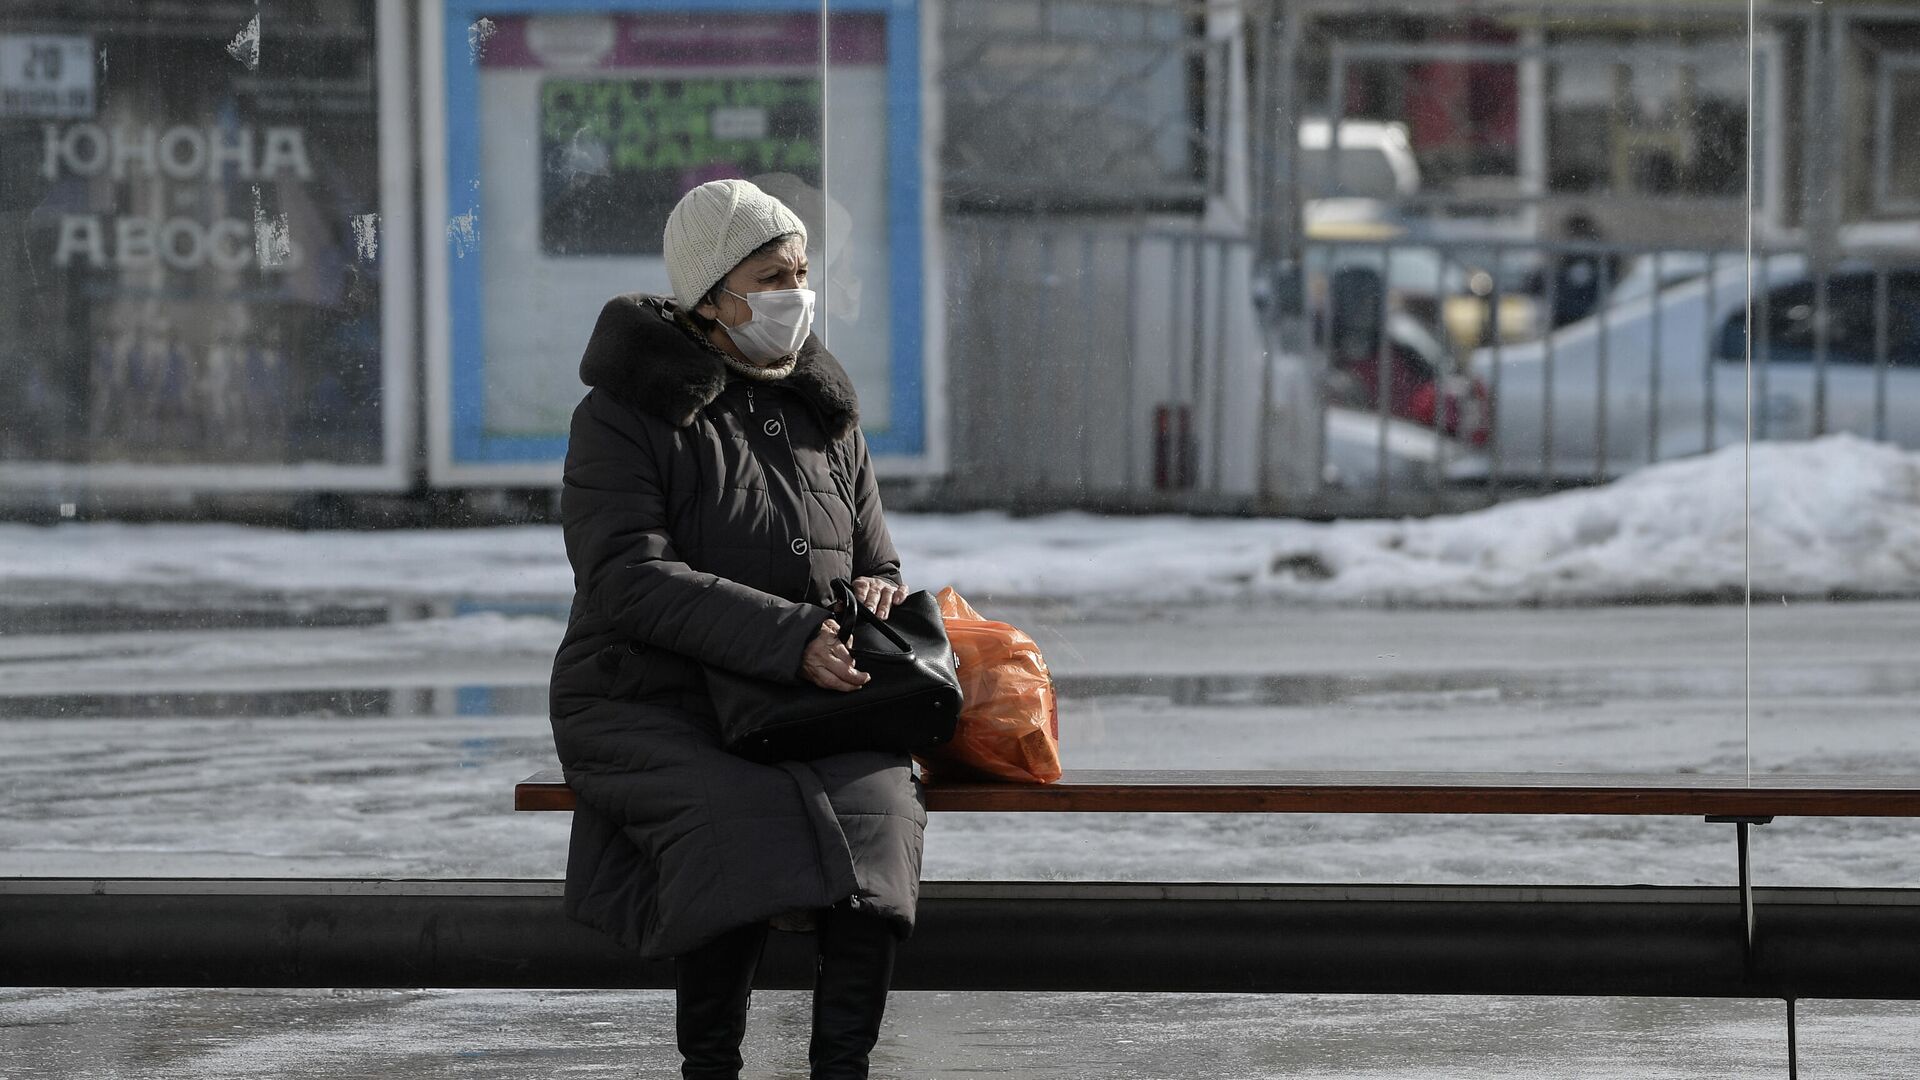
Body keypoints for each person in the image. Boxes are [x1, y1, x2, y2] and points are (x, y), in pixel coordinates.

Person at [548, 178, 922, 1080]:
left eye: (801, 270)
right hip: (651, 695)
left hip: (810, 699)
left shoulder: (824, 410)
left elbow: (879, 559)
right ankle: (710, 1067)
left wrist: (873, 595)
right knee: (739, 821)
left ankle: (844, 1068)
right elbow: (625, 577)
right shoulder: (623, 414)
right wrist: (789, 635)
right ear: (711, 293)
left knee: (880, 813)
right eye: (772, 274)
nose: (796, 291)